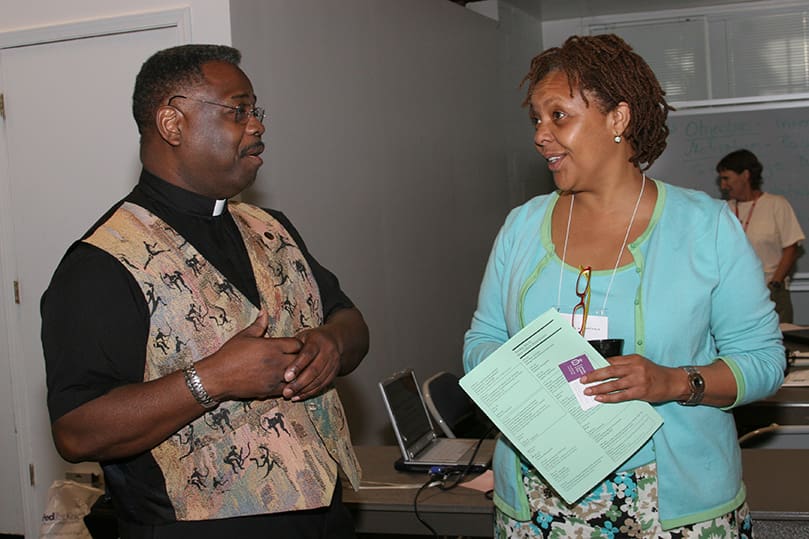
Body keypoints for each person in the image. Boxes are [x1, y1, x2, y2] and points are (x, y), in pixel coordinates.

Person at [41, 44, 369, 539]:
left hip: (324, 516)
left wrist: (332, 345)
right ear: (173, 124)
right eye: (239, 111)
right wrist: (211, 379)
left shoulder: (270, 227)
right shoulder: (101, 264)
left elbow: (349, 320)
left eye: (256, 111)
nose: (257, 125)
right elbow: (76, 429)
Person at [463, 34, 784, 537]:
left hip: (676, 510)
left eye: (559, 116)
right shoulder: (521, 228)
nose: (540, 135)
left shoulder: (706, 227)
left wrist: (675, 382)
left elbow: (764, 361)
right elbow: (481, 340)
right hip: (538, 504)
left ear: (618, 118)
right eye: (536, 121)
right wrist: (527, 380)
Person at [717, 148, 805, 323]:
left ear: (746, 175)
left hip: (771, 294)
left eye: (727, 178)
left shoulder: (776, 205)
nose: (723, 186)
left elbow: (791, 248)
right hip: (733, 298)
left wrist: (775, 284)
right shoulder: (723, 210)